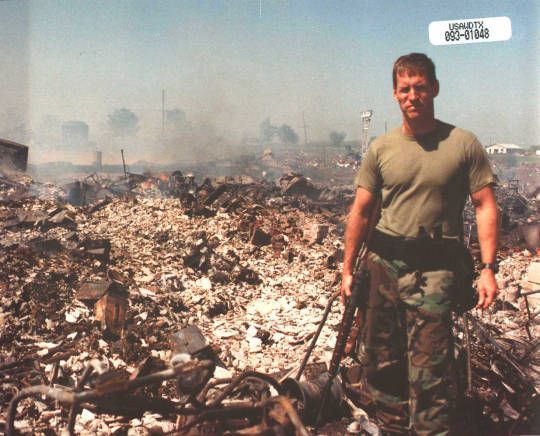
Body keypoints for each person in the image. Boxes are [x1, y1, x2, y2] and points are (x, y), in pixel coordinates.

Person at [341, 53, 498, 435]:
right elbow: (361, 212)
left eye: (421, 87)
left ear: (435, 89)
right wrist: (347, 269)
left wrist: (489, 270)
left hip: (435, 273)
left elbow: (485, 206)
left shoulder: (462, 144)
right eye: (405, 89)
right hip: (383, 268)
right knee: (380, 365)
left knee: (429, 374)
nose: (413, 95)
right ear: (395, 94)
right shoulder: (381, 149)